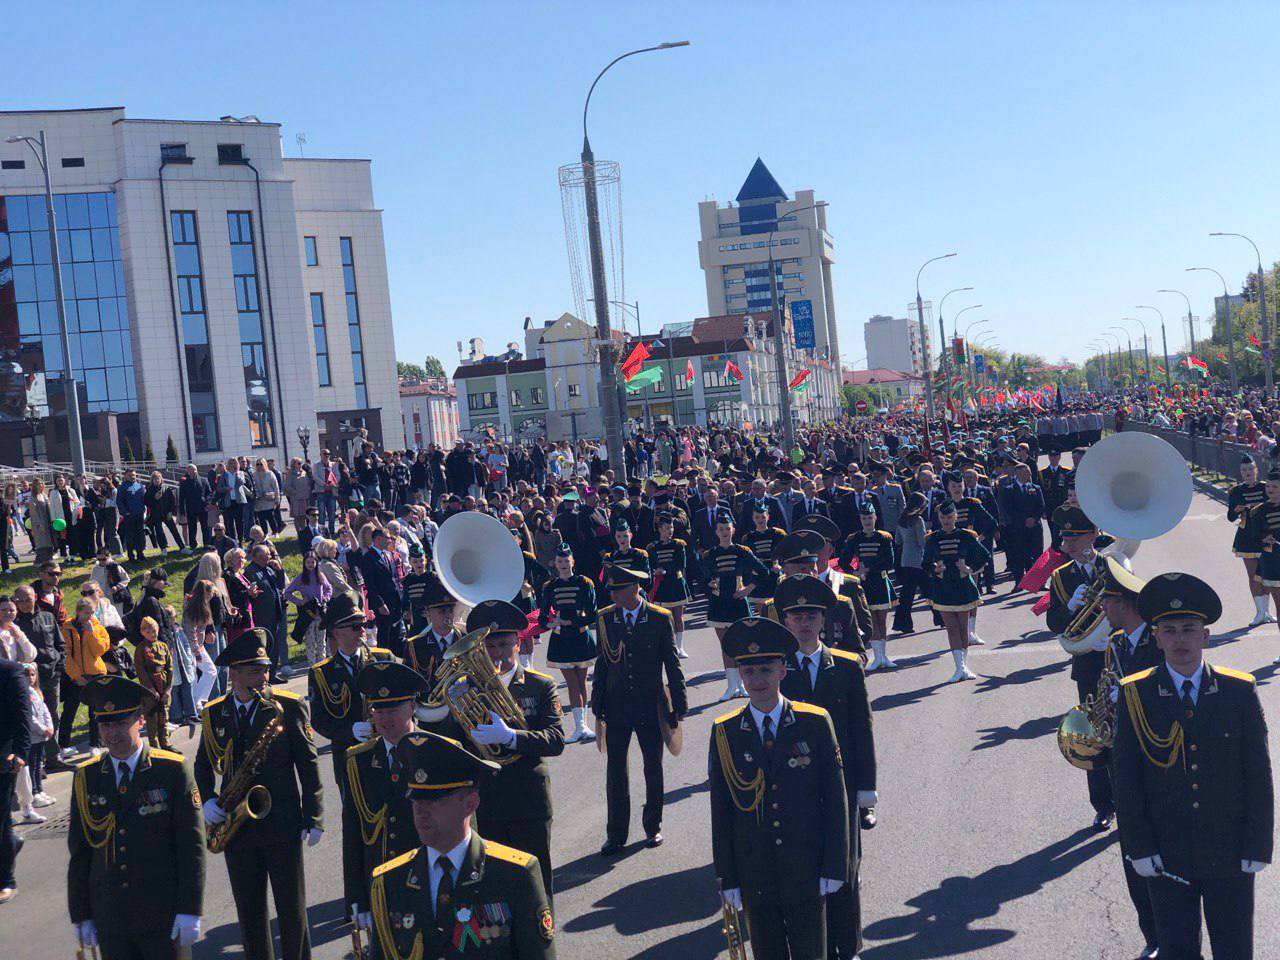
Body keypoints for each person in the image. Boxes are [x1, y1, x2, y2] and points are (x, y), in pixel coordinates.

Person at [1114, 573, 1274, 960]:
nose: (1180, 639)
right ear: (1157, 638)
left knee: (1234, 948)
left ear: (1206, 636)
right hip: (1167, 852)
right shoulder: (1135, 694)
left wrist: (1258, 844)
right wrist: (1139, 847)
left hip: (1230, 849)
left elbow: (1258, 776)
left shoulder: (1239, 691)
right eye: (1169, 631)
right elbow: (1127, 779)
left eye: (1189, 629)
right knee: (1178, 949)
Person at [709, 617, 849, 960]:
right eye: (749, 671)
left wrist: (834, 865)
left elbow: (834, 800)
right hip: (755, 869)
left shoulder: (814, 722)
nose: (758, 680)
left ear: (783, 671)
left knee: (810, 952)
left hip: (806, 865)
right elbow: (722, 811)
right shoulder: (725, 732)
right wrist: (728, 878)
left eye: (766, 670)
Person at [367, 731, 556, 960]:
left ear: (471, 804)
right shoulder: (390, 880)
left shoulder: (515, 875)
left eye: (436, 800)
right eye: (416, 799)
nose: (421, 811)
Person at [195, 629, 323, 960]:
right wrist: (208, 798)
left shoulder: (288, 708)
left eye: (265, 669)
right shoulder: (214, 713)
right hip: (237, 829)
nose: (263, 677)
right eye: (254, 670)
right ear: (233, 673)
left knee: (292, 912)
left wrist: (314, 816)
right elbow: (202, 765)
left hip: (281, 823)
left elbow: (308, 766)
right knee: (250, 916)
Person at [775, 576, 877, 960]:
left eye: (811, 614)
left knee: (846, 870)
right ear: (785, 620)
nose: (804, 622)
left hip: (843, 785)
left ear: (824, 620)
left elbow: (862, 729)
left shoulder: (848, 666)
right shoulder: (777, 669)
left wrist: (867, 787)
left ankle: (848, 947)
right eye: (796, 615)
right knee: (806, 872)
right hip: (795, 788)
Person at [67, 675, 204, 958]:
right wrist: (81, 914)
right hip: (111, 919)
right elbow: (80, 852)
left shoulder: (171, 770)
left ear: (139, 722)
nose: (112, 733)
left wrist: (190, 909)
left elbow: (191, 846)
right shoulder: (86, 777)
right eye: (105, 725)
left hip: (162, 915)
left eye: (120, 723)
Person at [459, 600, 565, 898]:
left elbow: (555, 740)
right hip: (487, 801)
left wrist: (512, 738)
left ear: (518, 644)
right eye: (490, 648)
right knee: (495, 891)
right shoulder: (468, 689)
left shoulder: (539, 685)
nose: (497, 655)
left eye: (504, 645)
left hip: (529, 799)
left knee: (537, 887)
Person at [592, 565, 686, 855]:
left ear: (634, 589)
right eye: (611, 590)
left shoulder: (659, 618)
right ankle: (616, 834)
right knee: (616, 771)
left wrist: (679, 704)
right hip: (617, 704)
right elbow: (603, 663)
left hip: (650, 704)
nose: (612, 595)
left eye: (617, 589)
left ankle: (653, 826)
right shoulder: (606, 618)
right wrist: (597, 702)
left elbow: (672, 662)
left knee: (652, 767)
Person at [343, 661, 429, 939]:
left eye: (392, 710)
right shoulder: (359, 760)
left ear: (413, 707)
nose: (384, 719)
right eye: (377, 711)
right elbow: (353, 834)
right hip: (381, 887)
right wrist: (357, 900)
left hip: (430, 884)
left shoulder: (439, 751)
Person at [1046, 504, 1115, 829]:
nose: (1068, 543)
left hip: (1118, 661)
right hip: (1087, 665)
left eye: (1074, 537)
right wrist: (1070, 608)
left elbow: (1137, 606)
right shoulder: (1061, 578)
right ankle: (1103, 804)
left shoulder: (1114, 564)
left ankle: (1131, 799)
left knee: (1126, 731)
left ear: (1092, 535)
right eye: (1065, 537)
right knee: (1094, 734)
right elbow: (1053, 622)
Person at [308, 591, 395, 793]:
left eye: (364, 625)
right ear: (337, 632)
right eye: (356, 627)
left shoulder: (383, 659)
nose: (362, 631)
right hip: (349, 756)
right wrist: (349, 730)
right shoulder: (321, 673)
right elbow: (319, 720)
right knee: (354, 816)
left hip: (386, 750)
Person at [702, 509, 770, 701]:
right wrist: (709, 584)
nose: (724, 532)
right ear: (716, 532)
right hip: (718, 604)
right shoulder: (710, 554)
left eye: (727, 528)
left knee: (743, 644)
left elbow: (763, 571)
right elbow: (702, 575)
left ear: (733, 529)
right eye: (721, 529)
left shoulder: (742, 551)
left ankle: (744, 685)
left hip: (739, 603)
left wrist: (748, 590)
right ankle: (731, 686)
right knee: (725, 646)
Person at [922, 499, 991, 683]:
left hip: (963, 587)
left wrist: (970, 568)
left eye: (949, 516)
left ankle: (964, 666)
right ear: (939, 517)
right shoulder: (933, 539)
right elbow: (925, 563)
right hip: (943, 588)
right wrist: (934, 569)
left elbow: (985, 555)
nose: (946, 520)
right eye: (943, 517)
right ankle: (958, 667)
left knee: (963, 628)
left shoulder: (966, 536)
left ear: (956, 516)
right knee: (951, 628)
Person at [537, 544, 598, 743]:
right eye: (560, 561)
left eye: (566, 561)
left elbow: (592, 614)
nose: (563, 565)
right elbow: (542, 616)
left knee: (581, 682)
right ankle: (579, 726)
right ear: (555, 563)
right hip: (561, 639)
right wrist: (552, 623)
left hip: (580, 636)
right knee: (572, 683)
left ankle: (584, 725)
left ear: (573, 562)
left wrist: (570, 622)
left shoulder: (584, 583)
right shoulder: (550, 586)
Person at [59, 598, 111, 758]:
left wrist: (92, 633)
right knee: (69, 711)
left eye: (92, 612)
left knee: (95, 711)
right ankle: (63, 745)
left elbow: (100, 651)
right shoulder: (66, 629)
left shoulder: (97, 628)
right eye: (86, 612)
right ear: (78, 611)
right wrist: (77, 676)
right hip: (75, 677)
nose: (89, 616)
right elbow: (65, 655)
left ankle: (94, 743)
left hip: (95, 673)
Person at [0, 656, 31, 904]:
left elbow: (23, 714)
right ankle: (11, 843)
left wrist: (21, 752)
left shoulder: (9, 671)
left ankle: (6, 880)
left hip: (4, 754)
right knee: (3, 824)